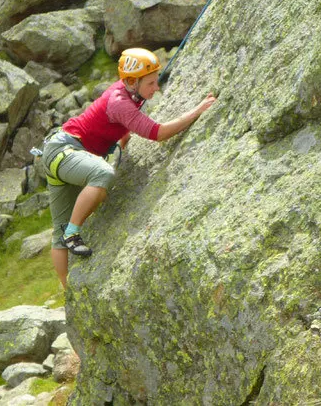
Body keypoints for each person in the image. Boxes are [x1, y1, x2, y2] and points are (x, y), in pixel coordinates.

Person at [42, 47, 215, 287]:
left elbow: (115, 122)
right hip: (66, 151)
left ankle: (66, 290)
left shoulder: (129, 94)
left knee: (57, 233)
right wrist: (197, 111)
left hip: (58, 154)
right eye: (152, 83)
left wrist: (122, 137)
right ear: (132, 82)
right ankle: (73, 233)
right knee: (102, 174)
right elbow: (158, 133)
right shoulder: (120, 101)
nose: (157, 88)